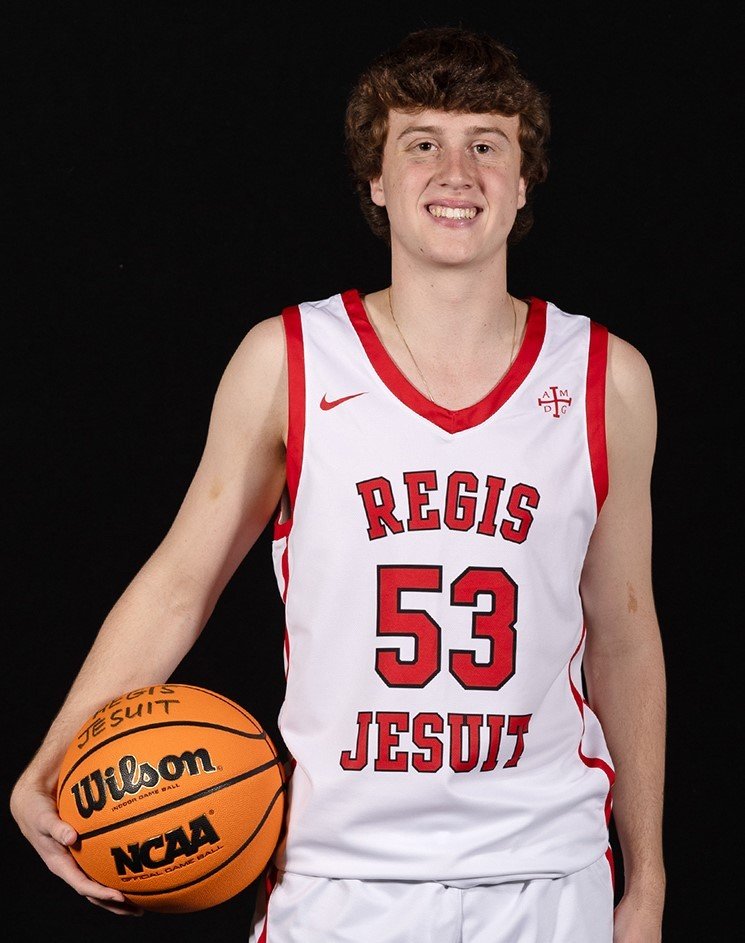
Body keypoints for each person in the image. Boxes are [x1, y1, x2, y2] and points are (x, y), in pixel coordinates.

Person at [10, 25, 666, 942]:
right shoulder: (289, 359)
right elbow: (182, 581)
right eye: (421, 144)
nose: (456, 172)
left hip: (547, 873)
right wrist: (50, 759)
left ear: (523, 182)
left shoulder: (605, 377)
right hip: (337, 878)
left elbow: (623, 633)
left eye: (486, 145)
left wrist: (648, 877)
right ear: (375, 180)